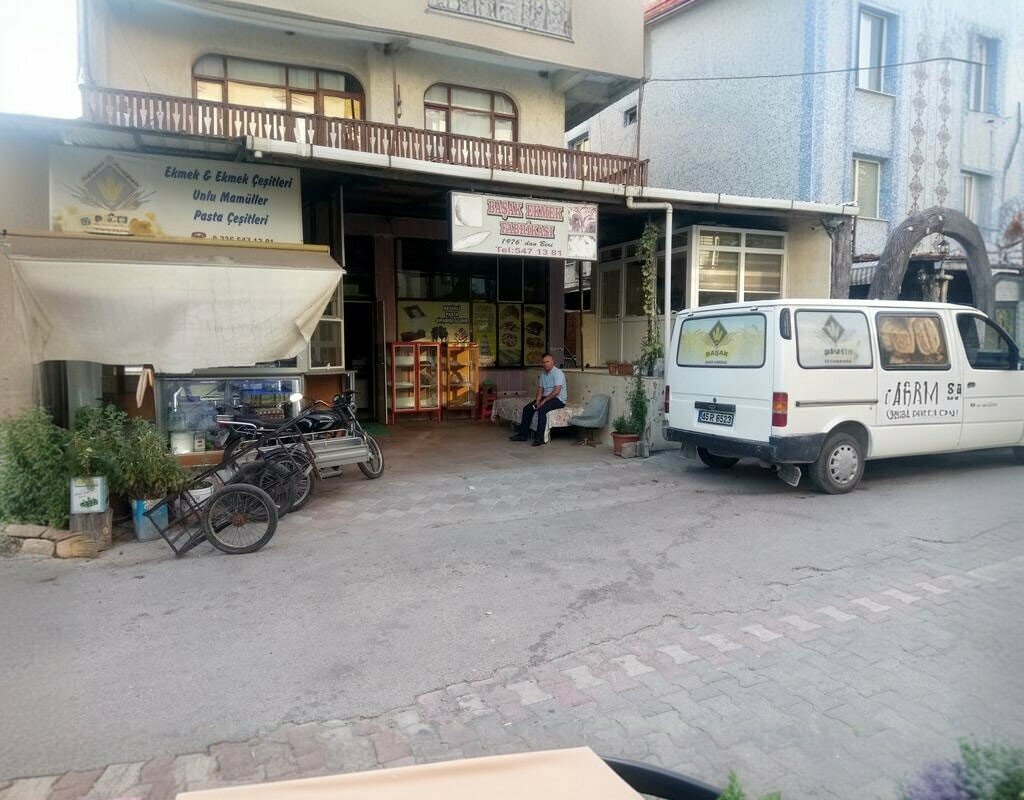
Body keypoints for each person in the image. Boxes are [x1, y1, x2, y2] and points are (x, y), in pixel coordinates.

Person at [510, 353, 567, 446]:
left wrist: (543, 401)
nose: (545, 364)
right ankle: (523, 435)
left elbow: (557, 391)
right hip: (546, 398)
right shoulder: (543, 374)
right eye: (543, 362)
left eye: (547, 361)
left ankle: (540, 438)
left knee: (542, 409)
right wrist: (537, 401)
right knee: (528, 408)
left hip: (558, 399)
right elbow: (540, 389)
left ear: (552, 362)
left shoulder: (558, 373)